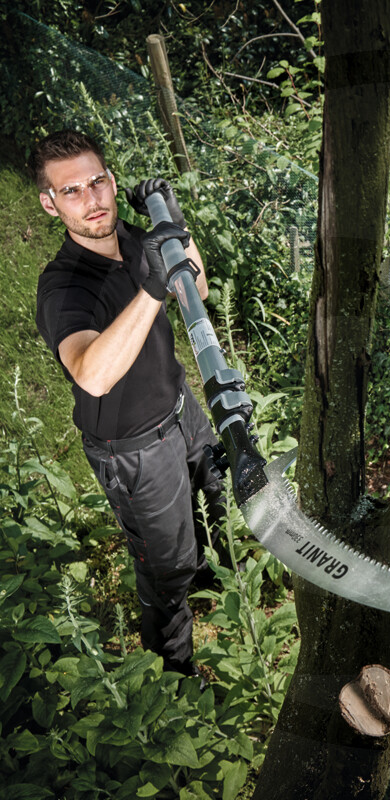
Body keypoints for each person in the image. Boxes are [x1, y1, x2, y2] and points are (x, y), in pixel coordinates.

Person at [32, 129, 224, 677]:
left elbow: (197, 289)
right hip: (134, 449)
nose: (91, 199)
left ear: (113, 182)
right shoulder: (64, 287)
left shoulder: (136, 239)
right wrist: (150, 289)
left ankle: (210, 580)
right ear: (50, 204)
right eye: (72, 191)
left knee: (214, 497)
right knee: (166, 569)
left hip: (180, 409)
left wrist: (175, 227)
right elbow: (91, 374)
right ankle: (175, 673)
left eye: (97, 181)